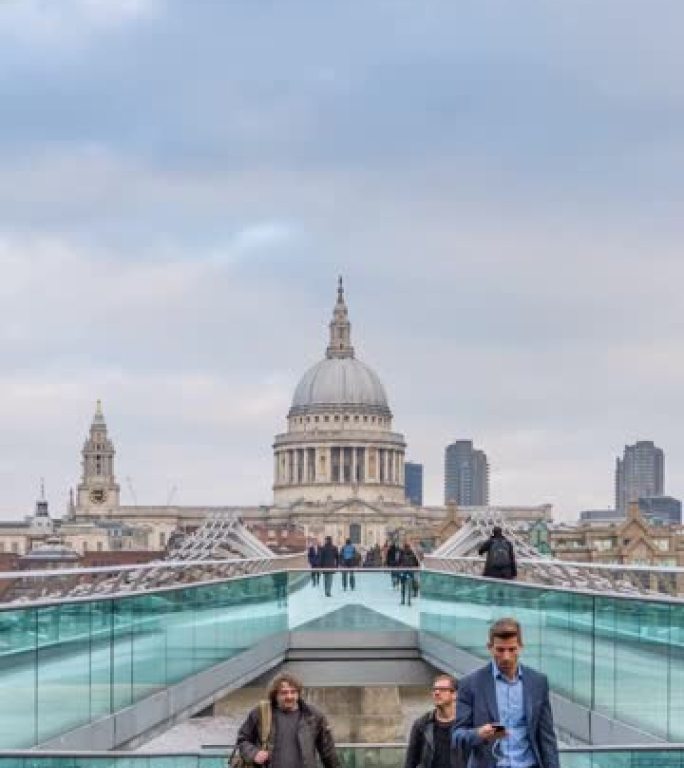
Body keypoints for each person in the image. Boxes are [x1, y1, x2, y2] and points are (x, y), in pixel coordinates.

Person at [452, 617, 560, 768]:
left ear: (520, 647)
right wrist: (479, 734)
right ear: (490, 647)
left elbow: (547, 738)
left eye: (512, 649)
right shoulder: (470, 684)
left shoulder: (538, 683)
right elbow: (457, 736)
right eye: (500, 650)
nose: (506, 657)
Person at [236, 671, 339, 768]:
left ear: (298, 693)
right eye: (284, 693)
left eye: (293, 692)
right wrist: (254, 753)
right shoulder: (260, 713)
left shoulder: (314, 716)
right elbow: (242, 739)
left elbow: (328, 752)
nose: (289, 696)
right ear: (275, 695)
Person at [404, 673, 465, 768]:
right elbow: (411, 761)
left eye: (442, 689)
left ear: (455, 694)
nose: (437, 693)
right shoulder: (422, 724)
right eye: (434, 690)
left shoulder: (467, 722)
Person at [398, 541, 419, 606]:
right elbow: (417, 563)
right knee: (411, 585)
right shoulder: (413, 553)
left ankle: (403, 600)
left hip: (403, 571)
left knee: (403, 585)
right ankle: (409, 601)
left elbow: (399, 561)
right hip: (411, 570)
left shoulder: (401, 553)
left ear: (404, 547)